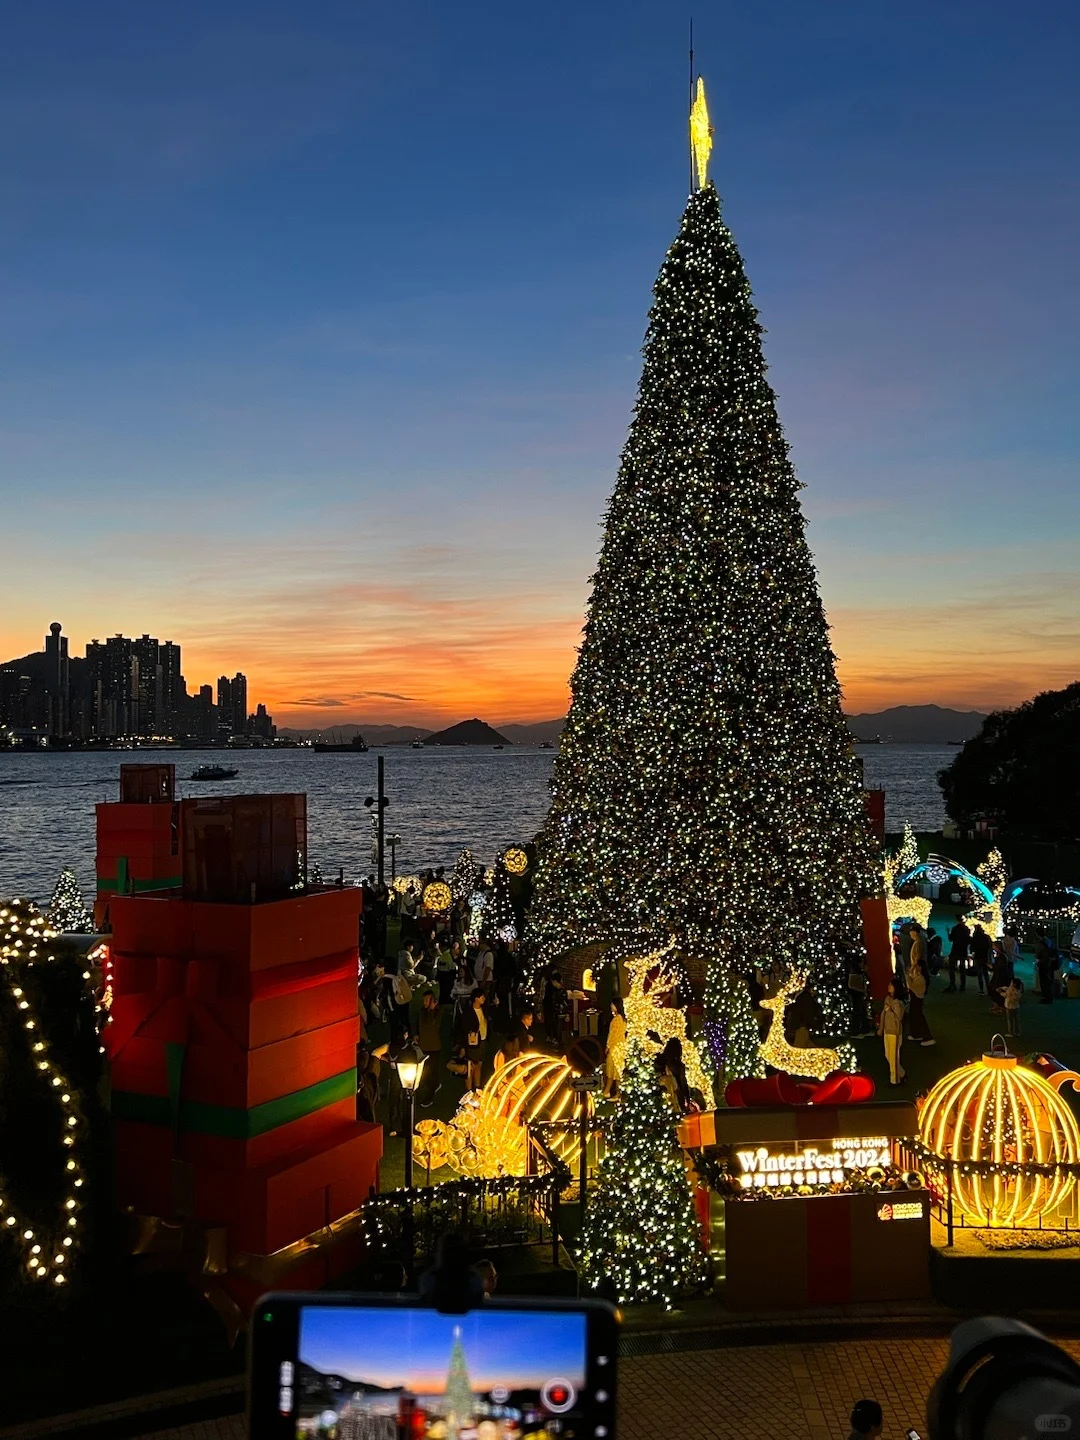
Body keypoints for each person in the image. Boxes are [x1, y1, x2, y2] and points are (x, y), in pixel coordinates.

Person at [416, 990, 443, 1108]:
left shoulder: (438, 1011)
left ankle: (430, 1095)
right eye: (424, 1000)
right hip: (423, 1046)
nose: (425, 1002)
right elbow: (420, 1024)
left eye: (427, 1000)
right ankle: (435, 1085)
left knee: (430, 1071)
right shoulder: (422, 1011)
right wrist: (416, 1034)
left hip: (433, 1047)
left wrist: (431, 1010)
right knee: (425, 1071)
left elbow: (432, 1023)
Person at [878, 981, 906, 1086]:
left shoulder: (898, 1003)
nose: (888, 986)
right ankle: (902, 1073)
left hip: (895, 1032)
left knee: (893, 1057)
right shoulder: (887, 999)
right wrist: (881, 1028)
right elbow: (883, 1014)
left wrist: (890, 1009)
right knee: (888, 1055)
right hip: (887, 1031)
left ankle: (894, 1080)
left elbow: (899, 1017)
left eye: (891, 985)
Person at [906, 948, 935, 1046]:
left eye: (917, 965)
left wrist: (908, 977)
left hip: (917, 999)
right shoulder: (919, 976)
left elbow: (912, 986)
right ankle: (916, 1034)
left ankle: (928, 1037)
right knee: (913, 1016)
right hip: (916, 999)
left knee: (918, 1017)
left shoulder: (920, 978)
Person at [461, 991, 488, 1091]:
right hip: (473, 1042)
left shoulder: (484, 1010)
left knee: (479, 1064)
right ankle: (469, 1089)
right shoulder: (468, 1012)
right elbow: (464, 1029)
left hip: (483, 1040)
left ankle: (477, 1086)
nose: (484, 999)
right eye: (482, 997)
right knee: (471, 1065)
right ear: (476, 998)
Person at [604, 998, 627, 1096]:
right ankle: (613, 1092)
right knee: (616, 1071)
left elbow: (612, 1034)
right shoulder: (623, 1018)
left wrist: (608, 1046)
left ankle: (609, 1092)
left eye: (612, 1004)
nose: (611, 1006)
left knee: (612, 1070)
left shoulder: (616, 1019)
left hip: (615, 1047)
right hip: (621, 1046)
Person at [543, 968, 568, 1049]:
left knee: (558, 1029)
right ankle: (557, 1042)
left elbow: (564, 1002)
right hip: (555, 1012)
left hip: (559, 1013)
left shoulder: (561, 991)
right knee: (556, 1028)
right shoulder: (554, 989)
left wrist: (566, 1012)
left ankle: (559, 1043)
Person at [947, 917, 971, 993]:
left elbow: (951, 939)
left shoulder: (955, 928)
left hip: (955, 951)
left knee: (952, 969)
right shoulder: (967, 929)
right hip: (963, 951)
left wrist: (948, 932)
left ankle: (953, 984)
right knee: (962, 969)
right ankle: (962, 986)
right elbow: (968, 940)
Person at [970, 924, 992, 995]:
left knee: (979, 974)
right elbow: (990, 946)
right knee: (986, 974)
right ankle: (989, 989)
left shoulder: (975, 937)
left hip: (977, 958)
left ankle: (981, 989)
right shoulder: (986, 937)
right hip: (985, 957)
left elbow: (972, 948)